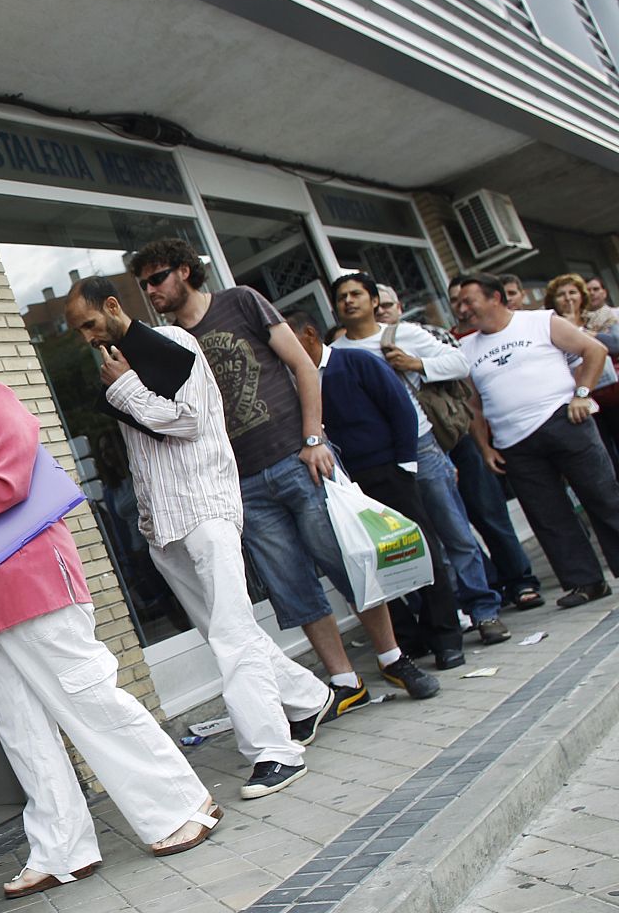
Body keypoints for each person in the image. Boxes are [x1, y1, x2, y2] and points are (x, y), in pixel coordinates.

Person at [0, 313, 220, 888]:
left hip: (29, 585)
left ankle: (180, 806)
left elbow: (7, 483)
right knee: (20, 725)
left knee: (89, 701)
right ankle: (61, 850)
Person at [64, 282, 345, 799]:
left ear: (111, 307)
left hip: (206, 506)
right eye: (77, 331)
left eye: (88, 323)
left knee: (232, 635)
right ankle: (307, 697)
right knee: (222, 629)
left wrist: (125, 387)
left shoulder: (174, 341)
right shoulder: (113, 362)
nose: (86, 336)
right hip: (162, 521)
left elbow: (188, 421)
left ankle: (275, 751)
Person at [130, 239, 440, 693]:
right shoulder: (171, 342)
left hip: (299, 460)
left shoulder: (241, 301)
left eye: (157, 278)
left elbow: (303, 365)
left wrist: (314, 438)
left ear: (184, 271)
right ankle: (344, 681)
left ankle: (393, 657)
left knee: (348, 561)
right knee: (289, 585)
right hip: (241, 483)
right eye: (144, 284)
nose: (151, 291)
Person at [330, 274, 508, 648]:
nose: (349, 301)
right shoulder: (337, 349)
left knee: (454, 530)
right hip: (378, 461)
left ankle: (484, 609)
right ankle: (446, 616)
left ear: (375, 299)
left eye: (357, 293)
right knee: (412, 542)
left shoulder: (401, 334)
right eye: (342, 296)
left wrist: (416, 363)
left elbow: (460, 362)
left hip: (421, 444)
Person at [292, 314, 464, 681]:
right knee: (369, 560)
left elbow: (400, 408)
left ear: (308, 334)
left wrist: (405, 465)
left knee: (419, 547)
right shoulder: (293, 382)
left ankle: (447, 636)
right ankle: (408, 637)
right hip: (343, 484)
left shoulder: (354, 361)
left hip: (387, 470)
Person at [454, 273, 619, 608]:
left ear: (494, 298)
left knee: (603, 496)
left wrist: (582, 395)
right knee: (548, 516)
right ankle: (586, 582)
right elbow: (472, 404)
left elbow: (594, 350)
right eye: (457, 302)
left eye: (468, 300)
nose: (461, 308)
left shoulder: (541, 322)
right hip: (514, 442)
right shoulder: (466, 348)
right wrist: (485, 447)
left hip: (565, 421)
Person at [385, 284, 543, 611]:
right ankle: (490, 584)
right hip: (414, 446)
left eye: (387, 305)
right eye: (378, 308)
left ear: (399, 306)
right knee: (450, 526)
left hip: (453, 437)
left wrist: (415, 364)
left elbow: (460, 372)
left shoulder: (424, 334)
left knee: (487, 512)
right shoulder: (369, 345)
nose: (382, 312)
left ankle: (520, 580)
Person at [547, 272, 619, 468]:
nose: (568, 298)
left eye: (573, 292)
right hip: (581, 400)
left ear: (582, 295)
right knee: (604, 454)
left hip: (612, 392)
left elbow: (614, 344)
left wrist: (580, 332)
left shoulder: (599, 318)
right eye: (562, 294)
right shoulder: (549, 326)